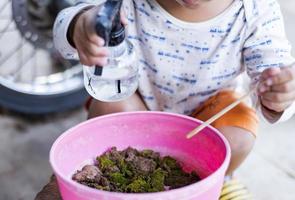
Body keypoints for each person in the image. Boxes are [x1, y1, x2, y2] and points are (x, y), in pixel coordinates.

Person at [36, 0, 295, 199]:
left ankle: (218, 178)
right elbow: (66, 29)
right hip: (139, 106)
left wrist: (278, 94)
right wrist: (79, 25)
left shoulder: (256, 10)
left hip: (207, 116)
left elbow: (274, 73)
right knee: (110, 106)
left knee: (239, 133)